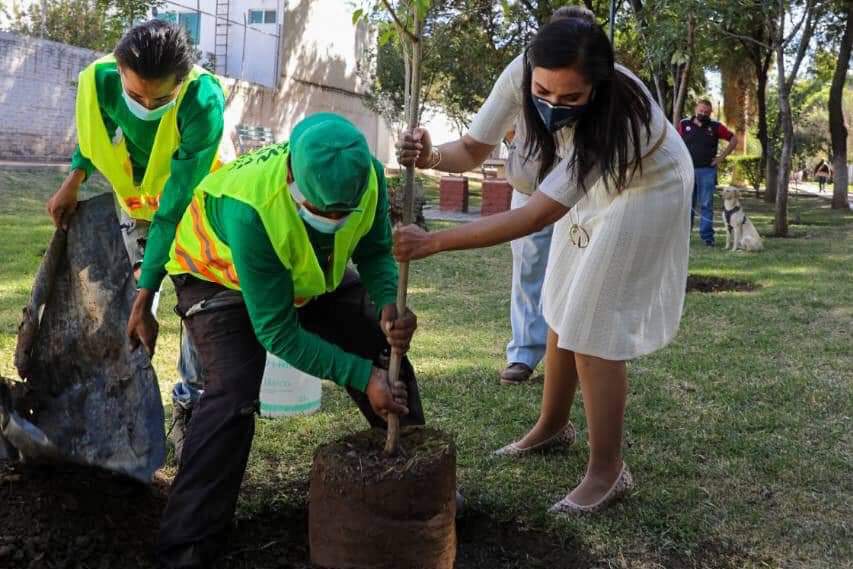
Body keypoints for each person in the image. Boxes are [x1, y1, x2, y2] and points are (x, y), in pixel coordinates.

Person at [396, 7, 693, 514]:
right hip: (595, 183)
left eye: (571, 98)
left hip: (649, 186)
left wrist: (435, 243)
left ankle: (607, 471)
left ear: (596, 87)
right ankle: (552, 426)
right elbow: (469, 148)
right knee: (559, 300)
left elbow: (536, 214)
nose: (554, 106)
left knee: (593, 322)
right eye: (543, 95)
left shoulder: (621, 115)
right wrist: (427, 154)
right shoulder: (524, 70)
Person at [128, 113, 423, 568]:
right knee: (233, 392)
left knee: (379, 343)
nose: (333, 220)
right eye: (321, 211)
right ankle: (186, 547)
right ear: (290, 174)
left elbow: (374, 250)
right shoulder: (254, 207)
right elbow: (277, 330)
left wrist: (387, 304)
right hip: (216, 275)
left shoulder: (367, 178)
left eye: (340, 213)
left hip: (301, 270)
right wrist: (363, 377)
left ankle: (423, 488)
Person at [46, 19, 231, 461]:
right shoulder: (100, 81)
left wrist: (148, 294)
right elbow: (96, 135)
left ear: (181, 82)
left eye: (160, 99)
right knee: (129, 307)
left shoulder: (202, 101)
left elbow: (174, 206)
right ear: (120, 72)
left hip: (194, 207)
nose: (147, 105)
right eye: (136, 96)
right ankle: (122, 409)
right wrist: (74, 179)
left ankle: (190, 405)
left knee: (198, 307)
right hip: (137, 204)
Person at [677, 99, 737, 247]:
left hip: (707, 171)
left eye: (706, 111)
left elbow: (734, 139)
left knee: (706, 205)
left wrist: (720, 158)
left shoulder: (715, 126)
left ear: (710, 113)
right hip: (687, 171)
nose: (702, 113)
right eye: (701, 110)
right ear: (695, 109)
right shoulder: (684, 124)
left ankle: (707, 238)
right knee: (687, 205)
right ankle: (685, 238)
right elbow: (675, 143)